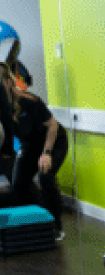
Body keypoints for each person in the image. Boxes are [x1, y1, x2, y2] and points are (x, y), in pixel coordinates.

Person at [0, 62, 68, 240]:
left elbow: (52, 125)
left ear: (8, 82)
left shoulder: (28, 100)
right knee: (18, 186)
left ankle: (56, 226)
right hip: (29, 145)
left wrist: (46, 153)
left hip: (53, 141)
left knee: (45, 176)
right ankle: (39, 220)